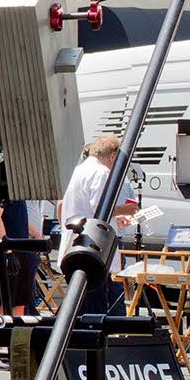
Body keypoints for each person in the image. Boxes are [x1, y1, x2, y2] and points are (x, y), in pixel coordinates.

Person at [59, 133, 139, 314]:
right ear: (113, 156)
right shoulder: (101, 172)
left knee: (82, 304)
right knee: (95, 308)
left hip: (76, 244)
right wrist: (126, 210)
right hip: (93, 248)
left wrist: (116, 218)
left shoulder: (79, 170)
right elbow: (101, 209)